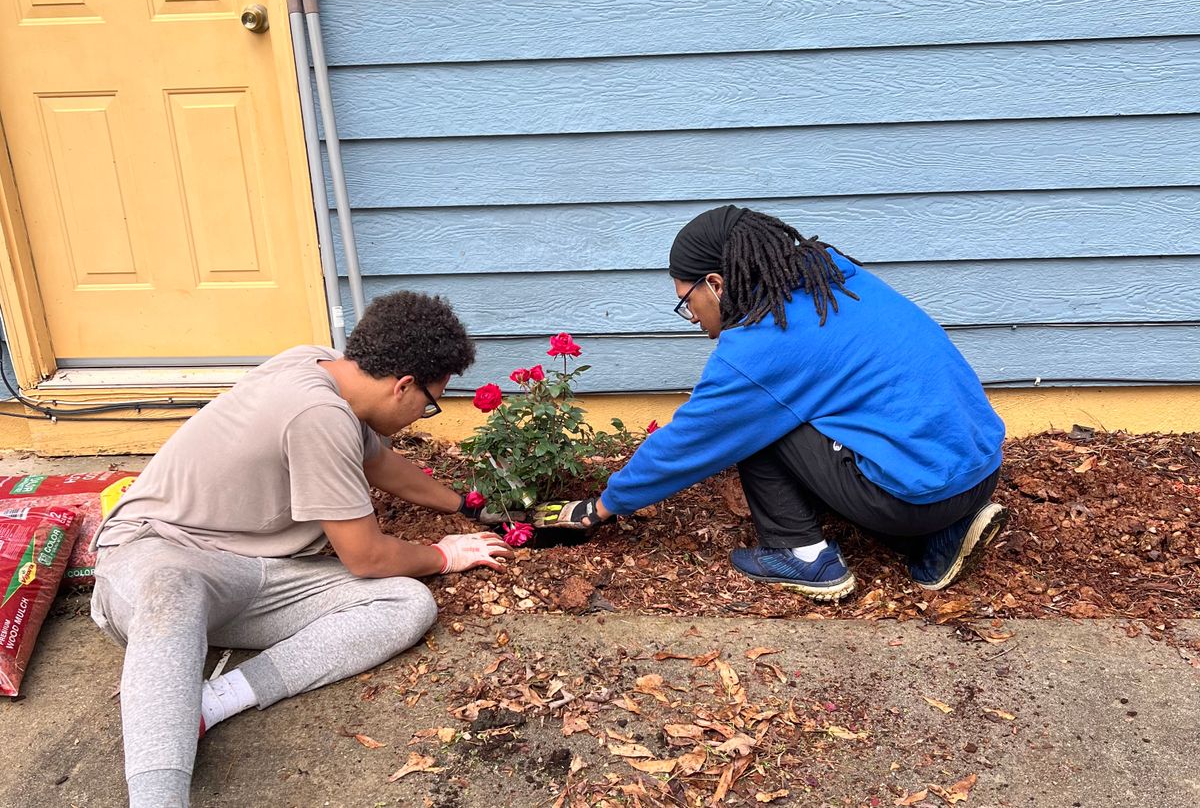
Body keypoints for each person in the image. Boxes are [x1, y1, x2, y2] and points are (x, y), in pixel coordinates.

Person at [91, 291, 513, 808]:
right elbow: (367, 557)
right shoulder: (317, 413)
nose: (423, 414)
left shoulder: (319, 365)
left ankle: (209, 702)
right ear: (403, 385)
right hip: (156, 555)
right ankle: (157, 798)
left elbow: (375, 462)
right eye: (429, 403)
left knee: (406, 602)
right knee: (173, 591)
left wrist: (467, 505)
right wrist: (443, 555)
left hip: (256, 574)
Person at [534, 206, 1007, 601]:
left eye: (686, 302)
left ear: (716, 285)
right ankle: (939, 539)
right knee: (794, 412)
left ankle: (800, 553)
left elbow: (691, 439)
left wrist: (603, 506)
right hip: (980, 468)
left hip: (912, 497)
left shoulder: (762, 347)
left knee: (754, 424)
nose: (690, 317)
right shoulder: (834, 276)